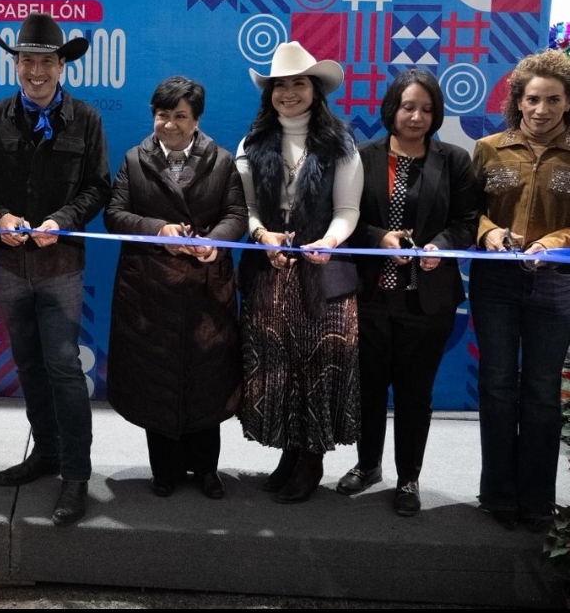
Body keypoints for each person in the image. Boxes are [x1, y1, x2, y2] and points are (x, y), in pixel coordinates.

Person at [0, 13, 111, 526]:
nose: (36, 70)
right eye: (27, 60)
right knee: (28, 364)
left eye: (46, 61)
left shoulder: (87, 119)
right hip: (7, 264)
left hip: (60, 266)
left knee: (64, 366)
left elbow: (98, 186)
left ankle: (76, 474)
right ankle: (46, 452)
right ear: (15, 64)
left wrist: (63, 220)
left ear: (61, 65)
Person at [334, 69, 479, 516]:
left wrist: (442, 246)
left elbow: (467, 222)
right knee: (369, 388)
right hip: (371, 296)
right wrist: (380, 238)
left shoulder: (454, 160)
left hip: (427, 300)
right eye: (408, 107)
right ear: (391, 109)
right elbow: (346, 218)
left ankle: (408, 478)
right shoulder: (362, 157)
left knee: (415, 394)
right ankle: (367, 465)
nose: (416, 117)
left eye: (427, 109)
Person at [104, 76, 246, 499]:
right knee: (156, 380)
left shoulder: (221, 161)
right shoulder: (135, 159)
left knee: (207, 380)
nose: (169, 124)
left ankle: (207, 469)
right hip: (151, 291)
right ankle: (163, 469)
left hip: (205, 289)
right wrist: (157, 229)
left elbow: (237, 214)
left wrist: (214, 240)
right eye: (162, 115)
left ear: (196, 120)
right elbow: (114, 214)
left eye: (180, 116)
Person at [235, 40, 362, 504]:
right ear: (269, 93)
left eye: (298, 84)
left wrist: (329, 241)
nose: (288, 93)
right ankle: (289, 453)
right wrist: (261, 235)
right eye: (280, 85)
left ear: (315, 89)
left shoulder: (341, 143)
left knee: (319, 366)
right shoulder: (252, 143)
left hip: (324, 274)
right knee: (278, 367)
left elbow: (347, 210)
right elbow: (246, 207)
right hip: (269, 273)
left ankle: (311, 460)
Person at [470, 49, 570, 531]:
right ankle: (498, 495)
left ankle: (536, 499)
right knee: (496, 385)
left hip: (556, 284)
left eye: (553, 100)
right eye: (533, 99)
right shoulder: (488, 148)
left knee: (543, 391)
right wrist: (488, 231)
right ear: (518, 101)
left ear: (567, 102)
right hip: (496, 283)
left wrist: (556, 241)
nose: (541, 109)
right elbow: (466, 211)